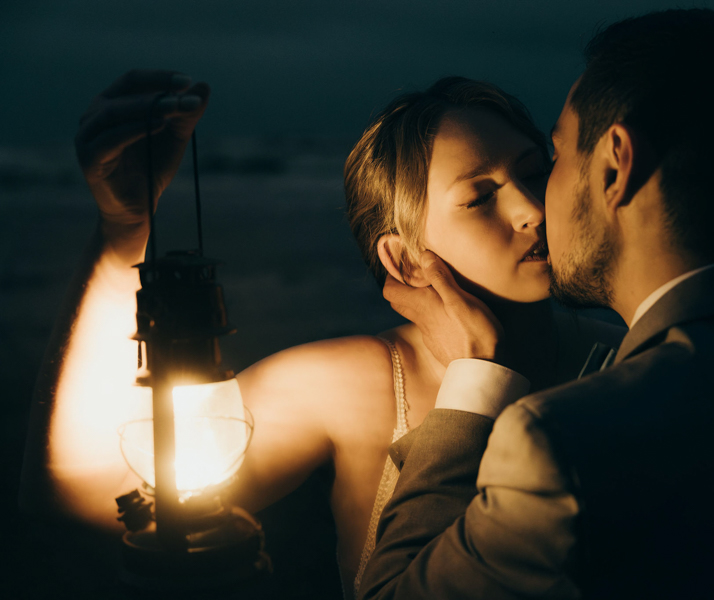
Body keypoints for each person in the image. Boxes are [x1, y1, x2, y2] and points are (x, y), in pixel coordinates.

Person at [359, 9, 714, 599]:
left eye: (552, 161)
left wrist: (471, 387)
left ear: (616, 164)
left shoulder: (565, 445)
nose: (537, 208)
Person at [18, 72, 624, 598]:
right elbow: (80, 489)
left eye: (533, 171)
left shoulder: (628, 356)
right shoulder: (355, 383)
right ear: (406, 259)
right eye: (480, 196)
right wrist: (124, 230)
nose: (531, 210)